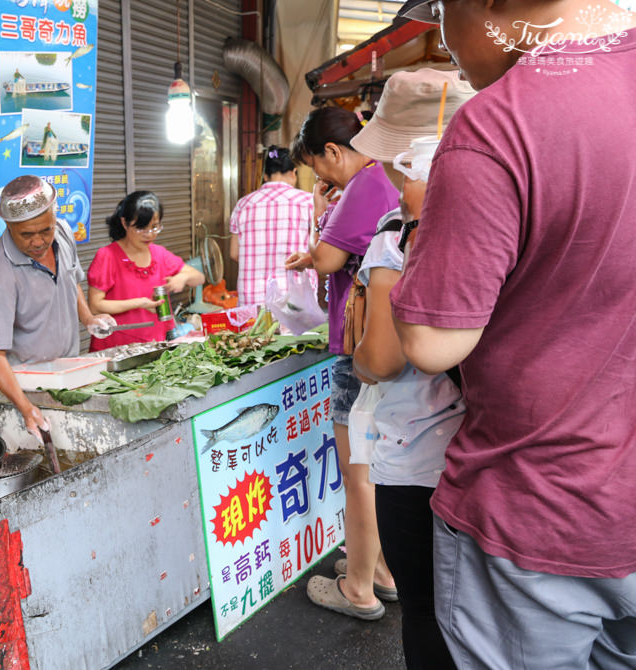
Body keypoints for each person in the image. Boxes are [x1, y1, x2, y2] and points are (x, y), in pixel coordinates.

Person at [389, 1, 636, 667]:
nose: (444, 36)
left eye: (441, 10)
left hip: (541, 511)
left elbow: (431, 342)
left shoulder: (502, 123)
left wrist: (416, 239)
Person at [349, 68, 474, 670]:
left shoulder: (396, 236)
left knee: (425, 611)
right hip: (494, 454)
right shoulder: (509, 219)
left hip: (417, 455)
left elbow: (382, 359)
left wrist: (358, 355)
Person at [285, 105, 399, 621]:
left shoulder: (366, 184)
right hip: (386, 348)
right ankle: (380, 570)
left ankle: (358, 589)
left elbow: (330, 259)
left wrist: (317, 226)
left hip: (360, 352)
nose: (321, 177)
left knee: (359, 475)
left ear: (333, 151)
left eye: (319, 167)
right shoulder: (388, 180)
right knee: (376, 468)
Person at [0, 175, 115, 441]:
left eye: (45, 230)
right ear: (8, 226)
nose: (39, 241)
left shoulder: (63, 231)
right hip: (30, 387)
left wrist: (88, 318)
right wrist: (25, 407)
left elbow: (71, 280)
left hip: (71, 370)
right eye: (27, 235)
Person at [87, 191, 204, 351]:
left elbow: (199, 278)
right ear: (124, 223)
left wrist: (182, 278)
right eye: (142, 228)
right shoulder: (107, 256)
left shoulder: (160, 254)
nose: (149, 235)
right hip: (117, 347)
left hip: (154, 345)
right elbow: (95, 305)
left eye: (155, 227)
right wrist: (140, 303)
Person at [228, 146, 313, 308]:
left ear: (265, 175)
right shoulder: (307, 202)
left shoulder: (243, 204)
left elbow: (234, 254)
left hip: (253, 300)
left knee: (255, 334)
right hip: (295, 299)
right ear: (293, 172)